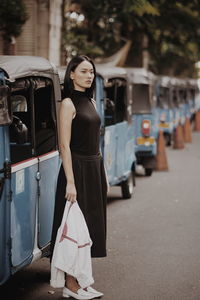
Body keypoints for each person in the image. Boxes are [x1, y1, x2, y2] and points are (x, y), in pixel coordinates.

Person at [50, 55, 108, 300]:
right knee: (74, 228)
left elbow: (96, 138)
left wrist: (101, 170)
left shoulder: (92, 101)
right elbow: (64, 146)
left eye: (91, 72)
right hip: (77, 170)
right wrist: (70, 182)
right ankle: (70, 285)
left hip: (94, 168)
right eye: (84, 71)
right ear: (71, 74)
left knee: (90, 228)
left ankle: (82, 281)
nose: (89, 76)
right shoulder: (67, 104)